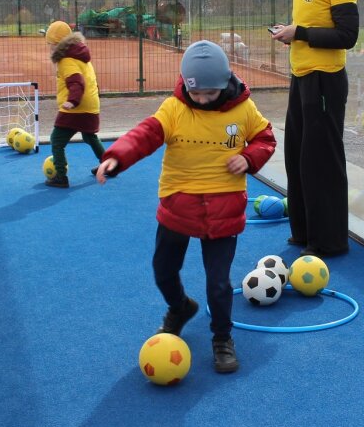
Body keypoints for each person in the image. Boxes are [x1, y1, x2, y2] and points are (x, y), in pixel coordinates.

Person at [96, 41, 275, 374]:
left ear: (225, 82)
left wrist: (249, 158)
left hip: (223, 207)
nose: (203, 100)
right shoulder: (174, 109)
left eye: (210, 93)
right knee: (163, 270)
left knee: (219, 284)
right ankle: (179, 307)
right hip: (179, 204)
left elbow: (265, 137)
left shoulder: (244, 110)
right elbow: (145, 135)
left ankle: (222, 338)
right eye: (196, 94)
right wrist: (116, 157)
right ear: (186, 86)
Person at [269, 0, 361, 258]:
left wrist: (301, 33)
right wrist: (291, 32)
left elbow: (347, 36)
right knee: (298, 156)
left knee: (321, 161)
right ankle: (305, 232)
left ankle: (329, 240)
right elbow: (308, 26)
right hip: (302, 76)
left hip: (325, 81)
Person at [44, 21, 106, 188]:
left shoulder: (66, 60)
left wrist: (72, 101)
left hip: (76, 107)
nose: (49, 48)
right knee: (89, 136)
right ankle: (108, 165)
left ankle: (61, 176)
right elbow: (90, 81)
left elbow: (76, 82)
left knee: (56, 140)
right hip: (91, 104)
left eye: (50, 44)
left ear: (57, 44)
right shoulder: (81, 55)